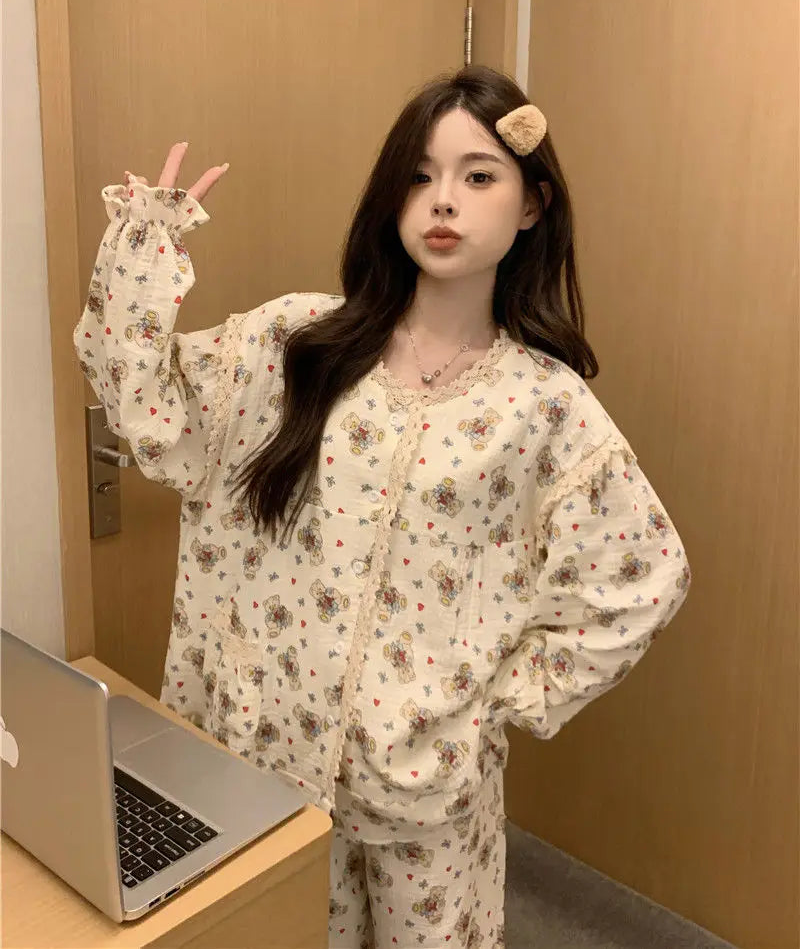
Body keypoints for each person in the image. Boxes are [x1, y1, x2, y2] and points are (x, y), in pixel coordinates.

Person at [74, 64, 691, 949]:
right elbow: (150, 409)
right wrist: (143, 252)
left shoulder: (543, 407)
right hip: (269, 750)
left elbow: (641, 576)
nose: (442, 200)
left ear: (531, 205)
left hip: (423, 784)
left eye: (478, 176)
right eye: (419, 175)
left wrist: (496, 702)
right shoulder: (296, 345)